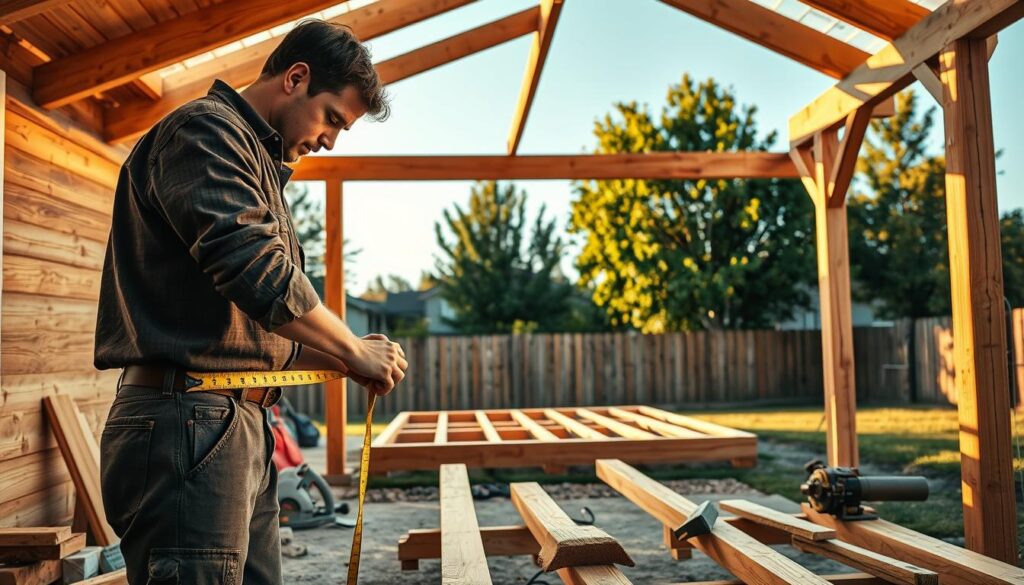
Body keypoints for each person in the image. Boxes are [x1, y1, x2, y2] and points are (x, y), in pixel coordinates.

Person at [93, 20, 407, 584]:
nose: (331, 139)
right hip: (188, 425)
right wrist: (351, 350)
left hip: (233, 421)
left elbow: (254, 335)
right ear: (296, 77)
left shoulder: (258, 168)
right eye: (332, 117)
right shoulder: (204, 134)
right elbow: (257, 271)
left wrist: (346, 355)